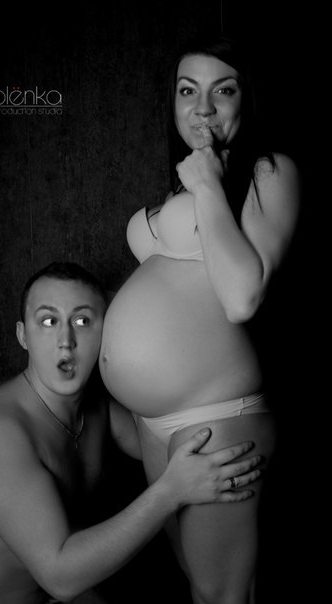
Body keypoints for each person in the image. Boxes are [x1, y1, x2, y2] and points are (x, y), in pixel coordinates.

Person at [99, 33, 301, 604]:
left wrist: (209, 182)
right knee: (196, 582)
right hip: (151, 422)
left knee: (221, 594)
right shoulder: (178, 188)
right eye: (188, 90)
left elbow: (241, 298)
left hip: (216, 415)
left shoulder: (268, 173)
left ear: (246, 100)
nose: (203, 107)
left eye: (223, 90)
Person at [0, 261, 263, 604]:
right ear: (23, 336)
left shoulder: (97, 408)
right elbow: (60, 575)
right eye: (48, 322)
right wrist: (170, 492)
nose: (66, 342)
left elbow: (167, 444)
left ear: (106, 332)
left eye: (82, 321)